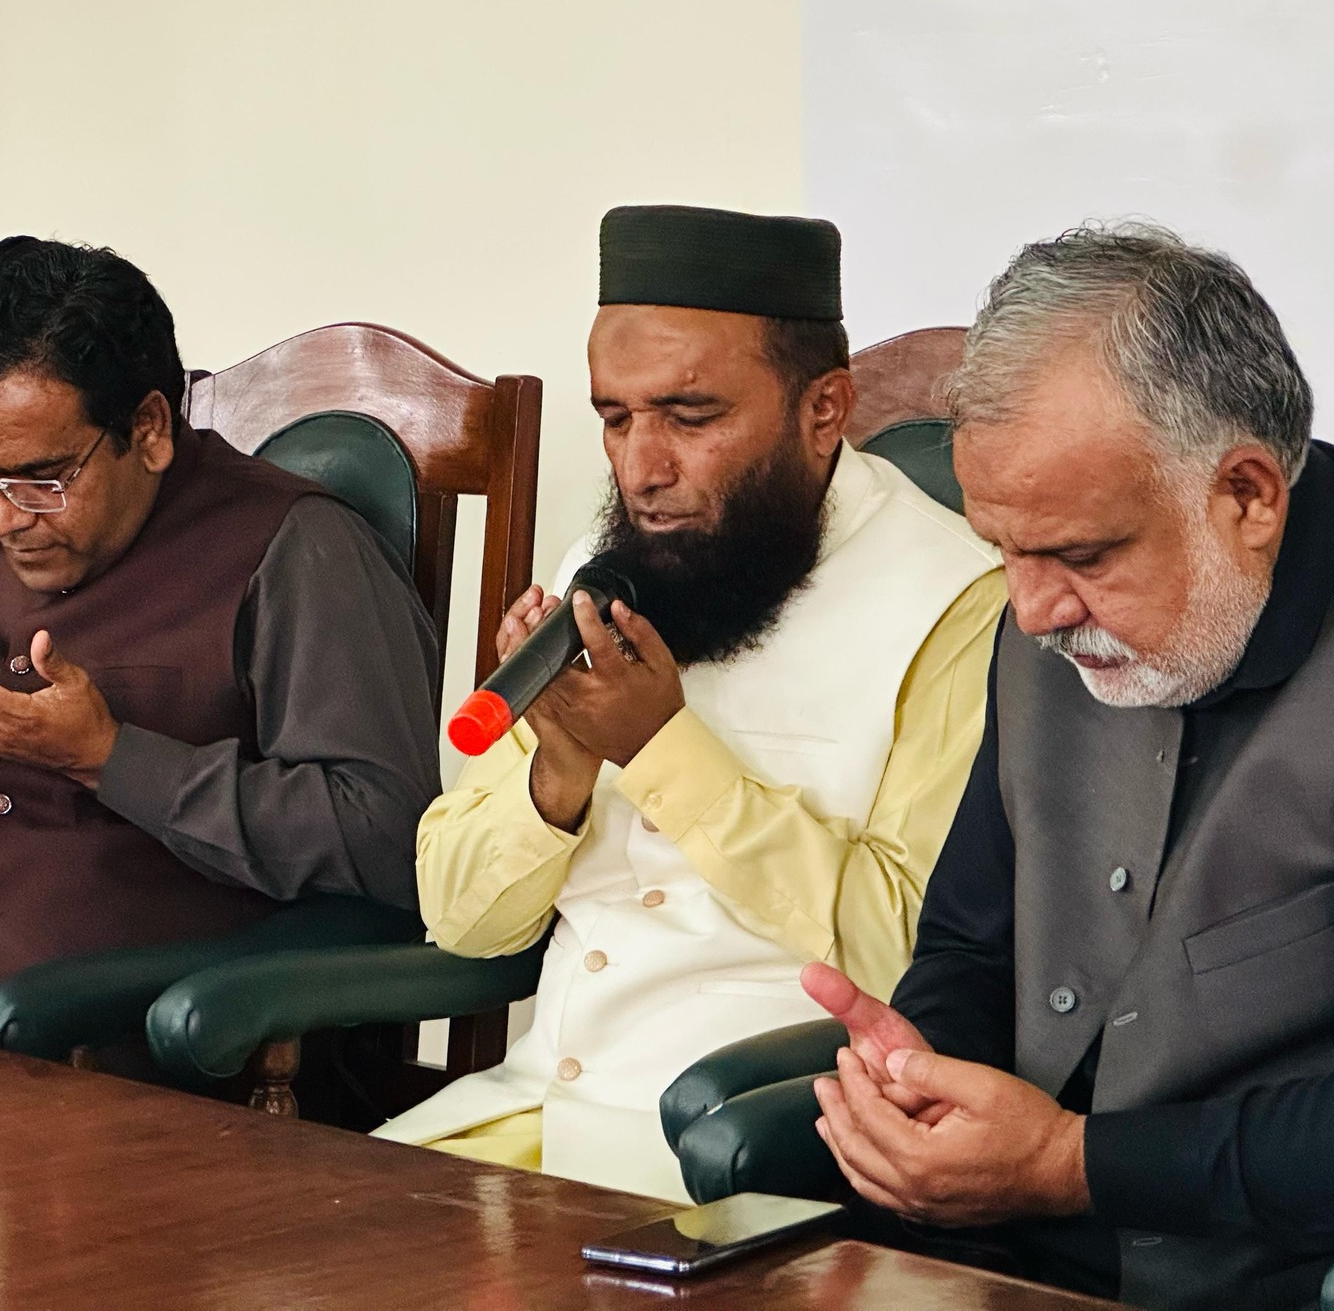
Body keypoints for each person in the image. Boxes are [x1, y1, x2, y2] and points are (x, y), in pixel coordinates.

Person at [802, 224, 1334, 1309]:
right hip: (986, 1261)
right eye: (1003, 550)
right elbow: (968, 944)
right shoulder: (1052, 607)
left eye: (1081, 555)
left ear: (1247, 495)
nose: (1031, 610)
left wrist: (1069, 1166)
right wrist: (919, 1085)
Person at [374, 204, 1006, 1199]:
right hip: (533, 1113)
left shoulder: (955, 604)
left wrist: (661, 747)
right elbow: (461, 920)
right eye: (614, 418)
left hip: (748, 1151)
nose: (641, 470)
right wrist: (560, 767)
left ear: (824, 410)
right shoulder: (608, 565)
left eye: (690, 416)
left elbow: (914, 960)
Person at [0, 237, 443, 1027]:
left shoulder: (293, 550)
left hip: (142, 1055)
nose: (0, 520)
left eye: (40, 479)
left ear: (148, 428)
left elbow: (387, 839)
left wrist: (110, 758)